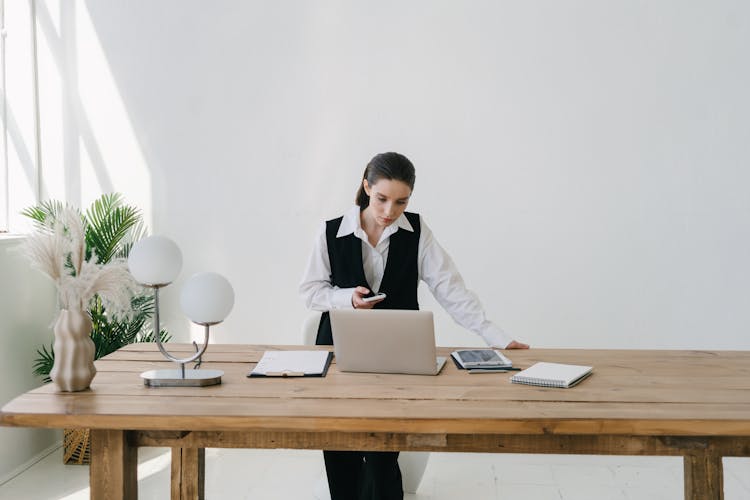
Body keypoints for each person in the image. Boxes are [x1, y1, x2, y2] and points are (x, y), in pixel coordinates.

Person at [299, 152, 529, 500]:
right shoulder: (330, 231)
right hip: (339, 351)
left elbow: (452, 291)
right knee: (339, 443)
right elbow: (310, 291)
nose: (390, 211)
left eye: (401, 202)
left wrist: (498, 338)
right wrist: (347, 299)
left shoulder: (417, 232)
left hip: (396, 356)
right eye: (382, 199)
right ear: (366, 187)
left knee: (382, 451)